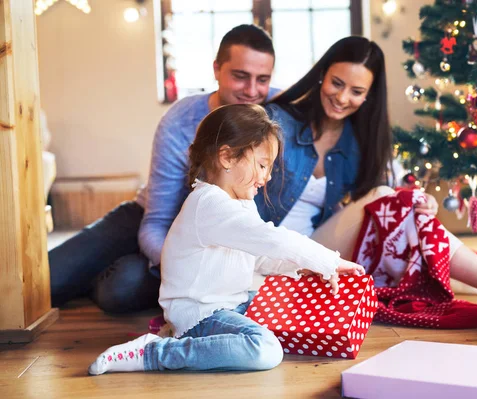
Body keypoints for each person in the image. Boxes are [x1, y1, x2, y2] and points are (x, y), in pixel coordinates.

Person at [256, 36, 477, 317]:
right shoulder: (275, 122)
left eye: (356, 91)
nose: (342, 98)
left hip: (316, 250)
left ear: (368, 96)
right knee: (385, 199)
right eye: (337, 83)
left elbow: (385, 205)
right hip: (267, 252)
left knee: (393, 202)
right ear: (321, 76)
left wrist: (422, 202)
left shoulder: (356, 143)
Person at [88, 104, 365, 375]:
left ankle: (184, 339)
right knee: (265, 349)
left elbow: (258, 256)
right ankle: (155, 353)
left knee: (287, 315)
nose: (266, 177)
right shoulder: (209, 204)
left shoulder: (239, 203)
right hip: (202, 314)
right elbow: (273, 239)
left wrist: (299, 267)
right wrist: (329, 260)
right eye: (262, 165)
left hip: (233, 303)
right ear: (227, 157)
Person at [49, 24, 279, 313]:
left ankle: (101, 274)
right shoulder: (180, 121)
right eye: (240, 76)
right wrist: (185, 265)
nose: (252, 90)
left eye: (263, 79)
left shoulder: (276, 107)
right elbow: (154, 223)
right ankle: (96, 265)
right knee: (49, 278)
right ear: (217, 69)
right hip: (146, 218)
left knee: (119, 289)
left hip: (199, 236)